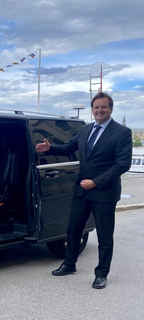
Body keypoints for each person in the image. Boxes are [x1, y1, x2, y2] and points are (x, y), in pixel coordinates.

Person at [36, 92, 132, 289]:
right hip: (82, 191)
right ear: (92, 110)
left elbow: (122, 164)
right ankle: (69, 264)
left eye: (103, 107)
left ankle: (101, 273)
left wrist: (95, 182)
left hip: (104, 192)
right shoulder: (86, 130)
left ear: (111, 109)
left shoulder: (122, 132)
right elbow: (68, 147)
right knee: (73, 230)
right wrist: (49, 148)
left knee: (105, 236)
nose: (99, 110)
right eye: (96, 107)